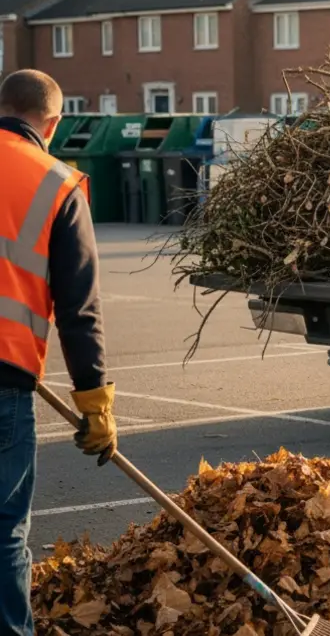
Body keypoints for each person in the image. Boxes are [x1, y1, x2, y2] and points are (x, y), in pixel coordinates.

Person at [0, 69, 115, 635]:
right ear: (53, 122)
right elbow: (79, 308)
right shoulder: (56, 183)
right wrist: (94, 402)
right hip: (3, 382)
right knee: (3, 534)